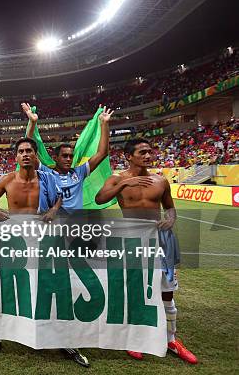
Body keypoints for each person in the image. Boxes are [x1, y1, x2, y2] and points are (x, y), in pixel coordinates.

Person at [0, 138, 90, 368]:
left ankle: (63, 339)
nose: (25, 154)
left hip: (44, 240)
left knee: (52, 288)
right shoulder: (7, 180)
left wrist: (53, 210)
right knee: (8, 289)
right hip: (15, 243)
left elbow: (59, 197)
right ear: (16, 157)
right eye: (21, 151)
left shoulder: (48, 178)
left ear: (35, 154)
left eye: (29, 150)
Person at [95, 138, 198, 364]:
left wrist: (170, 220)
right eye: (142, 152)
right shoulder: (117, 179)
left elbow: (170, 209)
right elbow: (100, 198)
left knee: (167, 291)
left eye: (150, 151)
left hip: (160, 240)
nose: (148, 155)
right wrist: (123, 185)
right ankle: (134, 339)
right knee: (134, 290)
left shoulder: (161, 181)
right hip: (131, 241)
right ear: (128, 156)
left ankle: (171, 340)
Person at [23, 102, 114, 213]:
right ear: (55, 158)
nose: (68, 159)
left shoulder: (79, 173)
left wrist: (104, 124)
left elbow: (102, 153)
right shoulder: (46, 173)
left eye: (71, 156)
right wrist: (32, 122)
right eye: (64, 156)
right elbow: (29, 149)